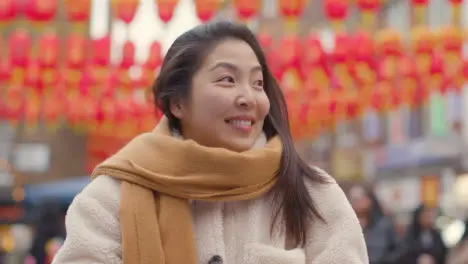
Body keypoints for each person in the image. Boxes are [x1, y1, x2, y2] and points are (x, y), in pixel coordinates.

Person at [52, 21, 368, 264]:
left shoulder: (310, 193)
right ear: (177, 102)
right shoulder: (110, 198)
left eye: (257, 83)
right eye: (227, 80)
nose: (249, 98)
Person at [348, 185, 405, 264]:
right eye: (353, 200)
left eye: (358, 199)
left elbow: (397, 250)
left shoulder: (385, 223)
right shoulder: (348, 225)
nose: (356, 203)